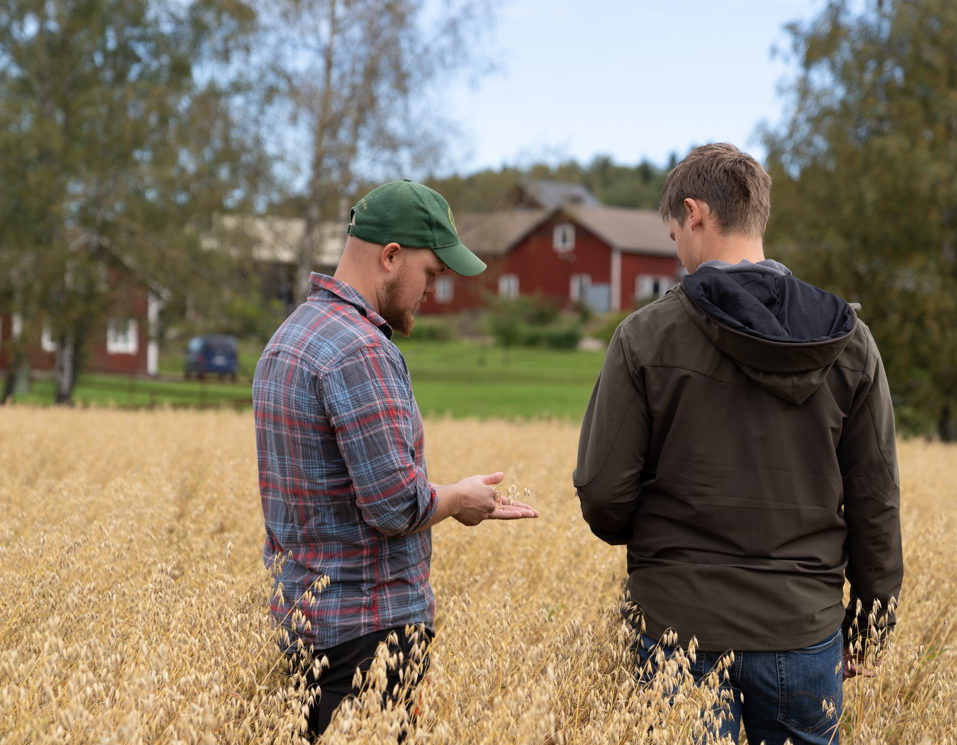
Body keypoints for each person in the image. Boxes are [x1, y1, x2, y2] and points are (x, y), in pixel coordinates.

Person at [574, 143, 902, 745]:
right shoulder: (852, 344)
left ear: (693, 214)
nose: (675, 246)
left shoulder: (645, 336)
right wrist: (870, 626)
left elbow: (602, 494)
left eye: (673, 229)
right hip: (803, 629)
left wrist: (661, 541)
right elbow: (876, 498)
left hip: (677, 627)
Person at [254, 179, 538, 739]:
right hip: (368, 640)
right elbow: (393, 506)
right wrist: (460, 498)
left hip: (305, 628)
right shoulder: (361, 349)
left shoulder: (287, 338)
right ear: (391, 257)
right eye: (431, 273)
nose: (432, 290)